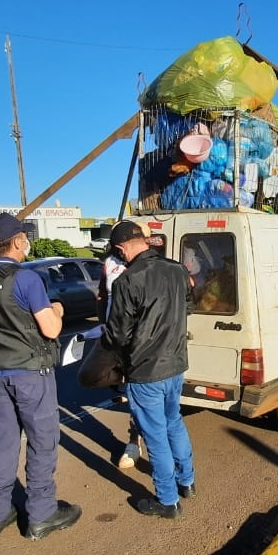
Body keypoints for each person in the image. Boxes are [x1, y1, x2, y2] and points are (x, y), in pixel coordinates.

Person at [0, 213, 82, 541]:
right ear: (17, 242)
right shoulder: (26, 279)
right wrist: (56, 309)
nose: (26, 241)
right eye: (24, 237)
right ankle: (42, 515)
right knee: (43, 443)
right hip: (30, 374)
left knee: (2, 444)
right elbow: (51, 329)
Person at [102, 220, 195, 519]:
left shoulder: (128, 281)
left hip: (146, 372)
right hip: (176, 364)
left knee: (155, 436)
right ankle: (187, 481)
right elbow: (189, 307)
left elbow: (116, 335)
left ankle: (168, 502)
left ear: (121, 248)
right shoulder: (178, 269)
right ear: (143, 239)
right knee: (174, 423)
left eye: (118, 255)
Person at [96, 244, 142, 470]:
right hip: (117, 337)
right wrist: (103, 326)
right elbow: (102, 296)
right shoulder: (110, 263)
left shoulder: (149, 261)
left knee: (147, 392)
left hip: (143, 339)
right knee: (130, 390)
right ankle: (134, 442)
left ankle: (153, 443)